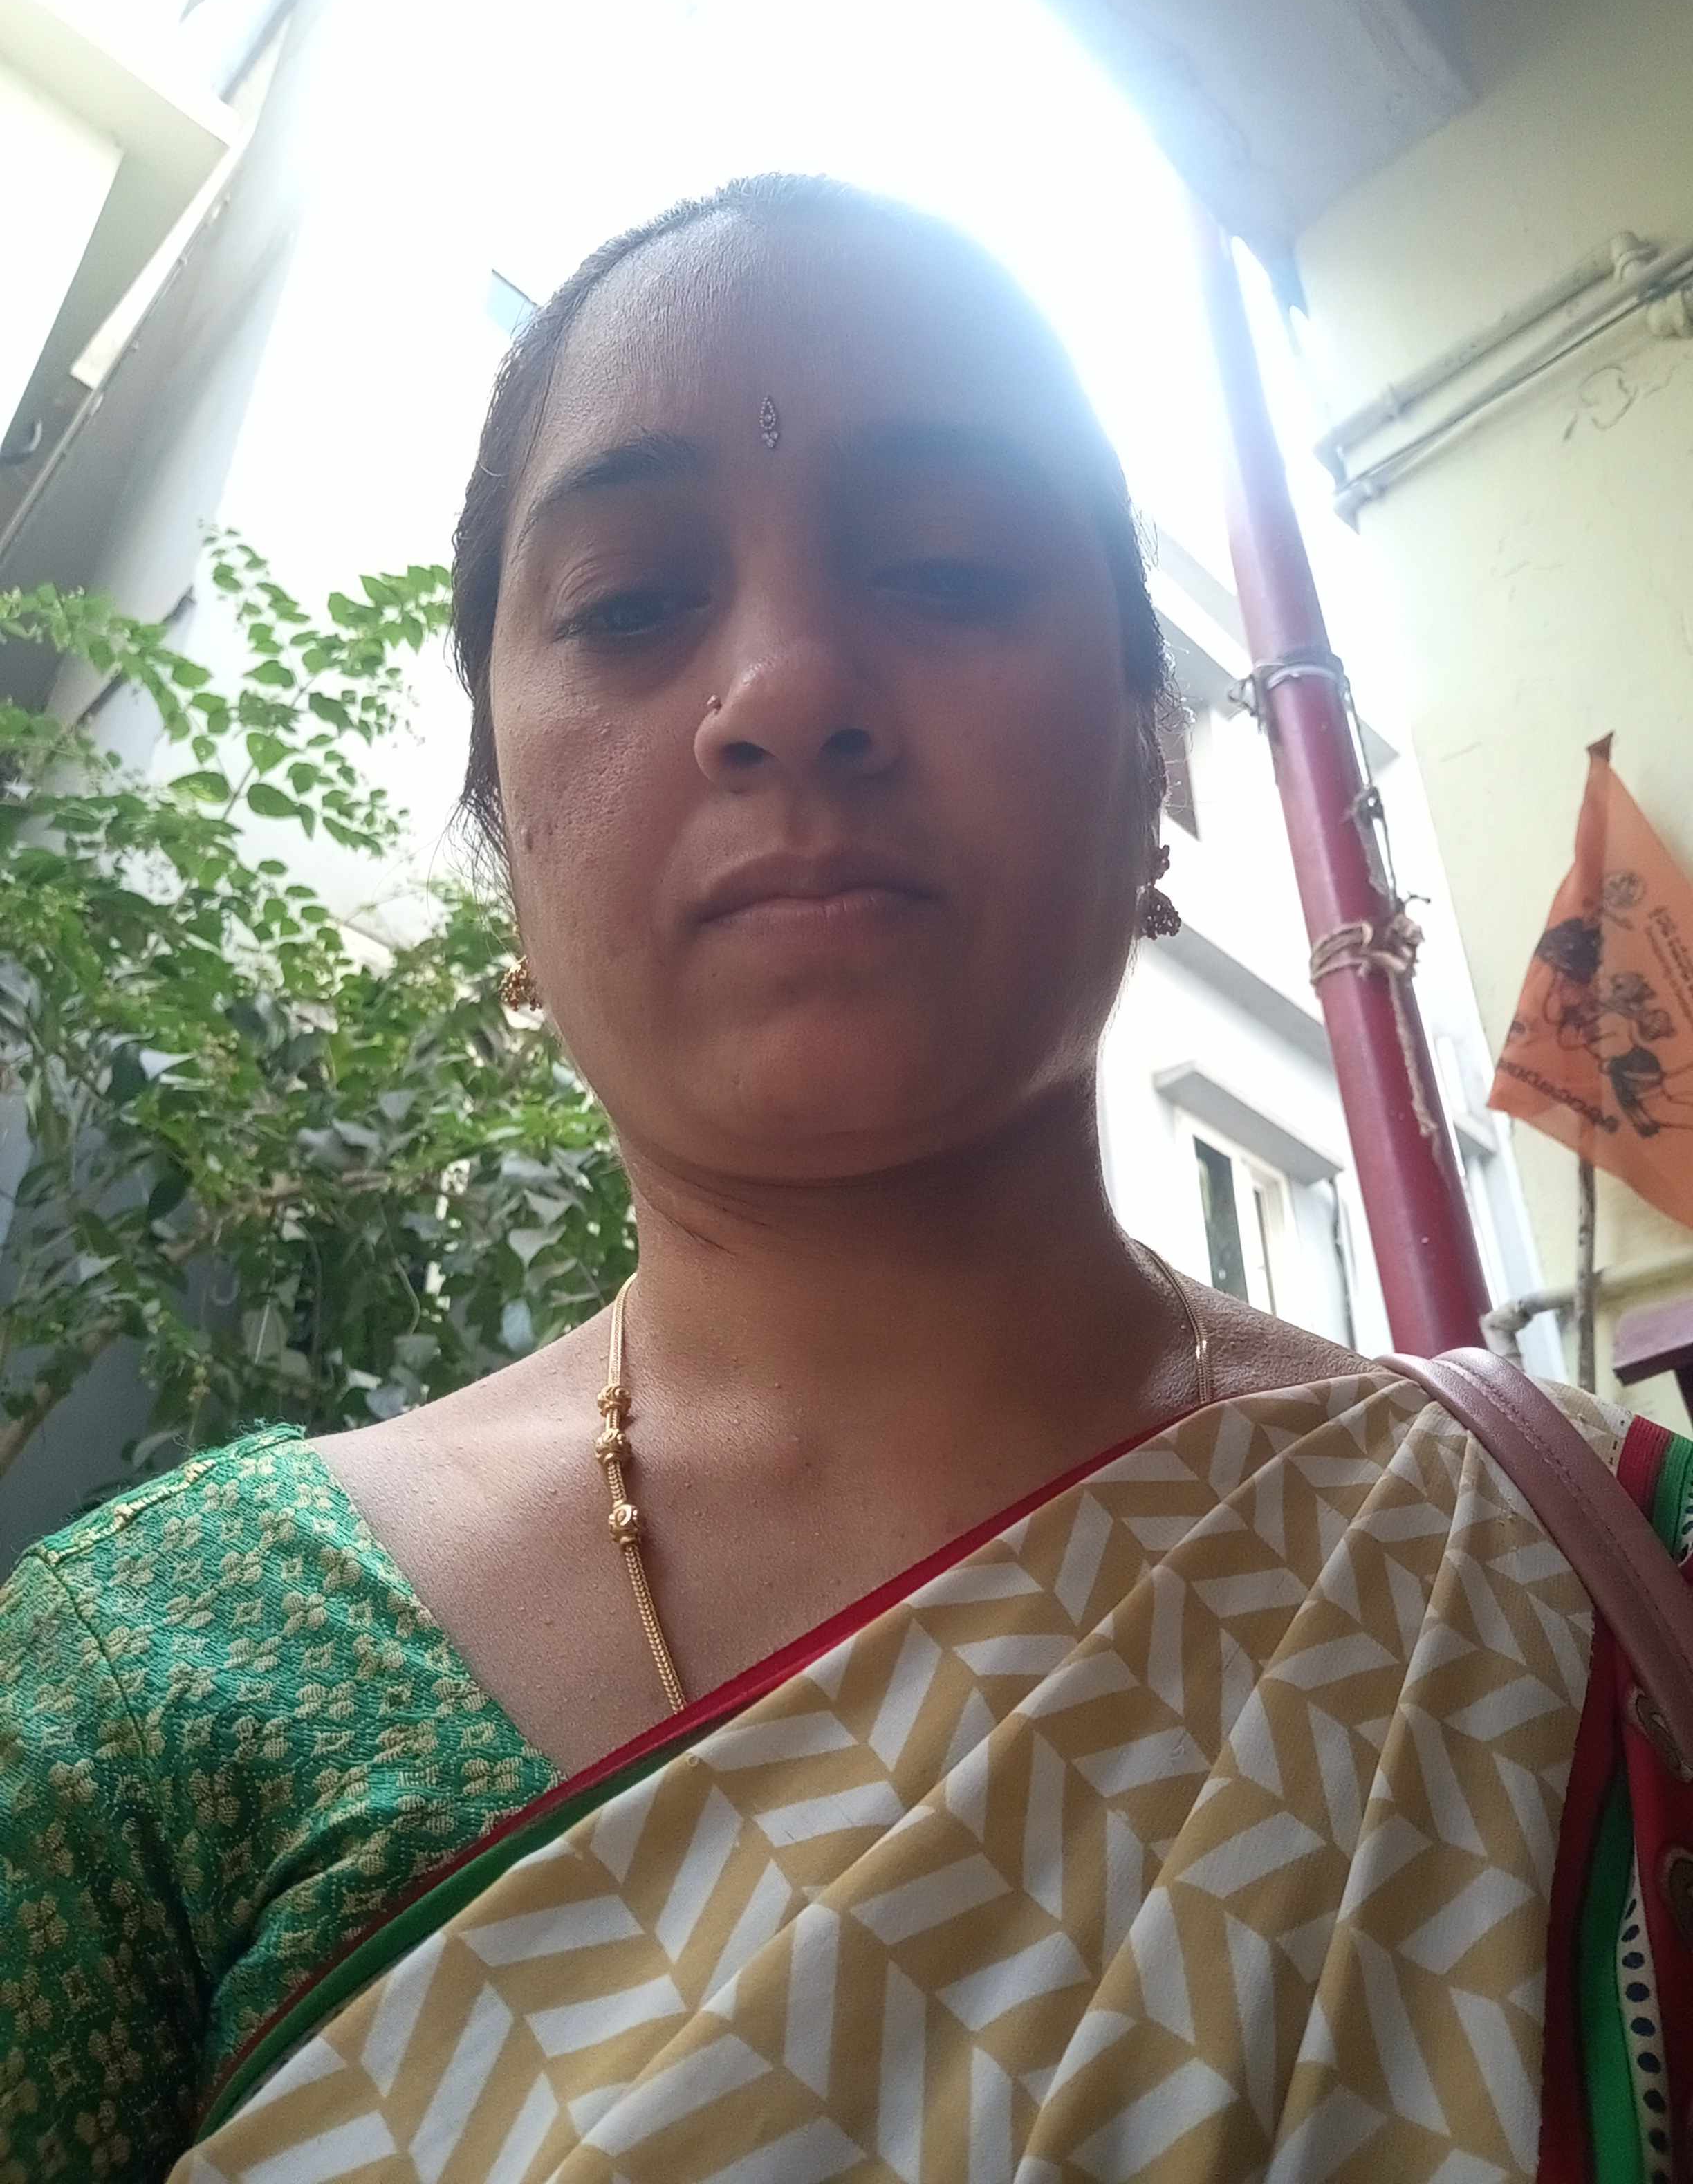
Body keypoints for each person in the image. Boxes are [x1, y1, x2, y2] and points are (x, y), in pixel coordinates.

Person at [2, 175, 1688, 2184]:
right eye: (631, 603)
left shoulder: (1591, 1573)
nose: (787, 686)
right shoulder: (155, 1690)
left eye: (949, 567)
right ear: (501, 831)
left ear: (1154, 766)